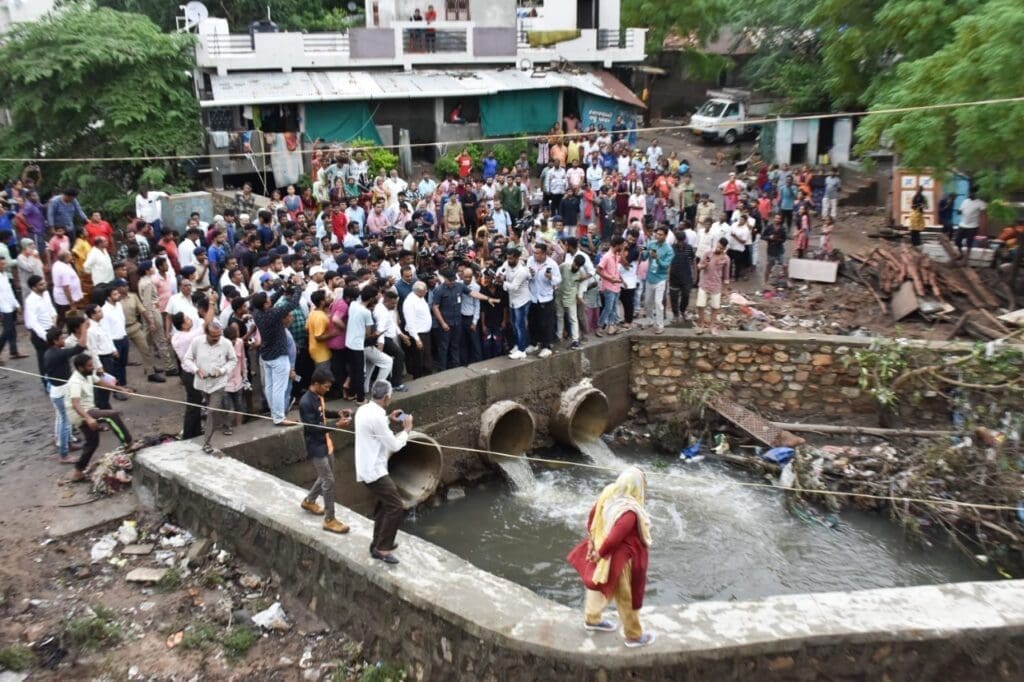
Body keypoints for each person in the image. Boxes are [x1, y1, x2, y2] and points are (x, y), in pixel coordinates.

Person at [566, 467, 654, 648]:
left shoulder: (609, 492)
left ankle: (592, 618)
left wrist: (593, 543)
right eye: (642, 483)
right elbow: (616, 536)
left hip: (603, 549)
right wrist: (600, 553)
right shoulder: (629, 510)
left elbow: (592, 517)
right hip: (619, 558)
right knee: (626, 597)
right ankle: (634, 636)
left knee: (599, 585)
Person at [354, 380, 413, 565]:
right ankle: (383, 549)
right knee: (396, 507)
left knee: (383, 505)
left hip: (367, 466)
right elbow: (394, 445)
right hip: (374, 471)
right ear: (386, 397)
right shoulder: (377, 417)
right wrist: (407, 429)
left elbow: (374, 427)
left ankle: (377, 544)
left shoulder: (364, 409)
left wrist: (388, 418)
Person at [299, 367, 354, 534]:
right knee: (328, 481)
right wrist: (337, 425)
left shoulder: (318, 397)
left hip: (326, 442)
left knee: (326, 476)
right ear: (315, 384)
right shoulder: (305, 402)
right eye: (326, 386)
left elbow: (322, 414)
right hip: (316, 446)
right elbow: (314, 428)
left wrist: (337, 413)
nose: (328, 389)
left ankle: (309, 500)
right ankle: (330, 519)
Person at [65, 353, 135, 483]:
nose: (93, 367)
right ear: (80, 368)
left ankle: (78, 472)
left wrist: (120, 388)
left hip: (89, 410)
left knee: (92, 443)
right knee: (112, 415)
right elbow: (75, 404)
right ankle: (128, 444)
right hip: (80, 413)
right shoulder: (75, 382)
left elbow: (102, 383)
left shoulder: (88, 374)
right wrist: (88, 418)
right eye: (90, 366)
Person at [183, 319, 237, 454]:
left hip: (218, 384)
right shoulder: (197, 342)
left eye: (219, 336)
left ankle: (207, 442)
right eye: (213, 337)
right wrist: (196, 370)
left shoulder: (226, 343)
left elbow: (233, 360)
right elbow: (187, 359)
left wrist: (222, 370)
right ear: (206, 334)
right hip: (202, 384)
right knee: (213, 408)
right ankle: (226, 423)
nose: (217, 339)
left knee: (211, 411)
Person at [642, 226, 674, 334]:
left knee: (658, 302)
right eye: (657, 234)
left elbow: (666, 265)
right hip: (650, 277)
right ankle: (650, 320)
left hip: (661, 278)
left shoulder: (669, 250)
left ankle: (660, 325)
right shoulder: (651, 243)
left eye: (661, 235)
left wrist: (657, 258)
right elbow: (643, 256)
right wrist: (644, 251)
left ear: (665, 236)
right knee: (647, 302)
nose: (658, 236)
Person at [696, 238, 730, 334]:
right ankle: (701, 325)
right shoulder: (707, 254)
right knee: (700, 305)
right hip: (704, 283)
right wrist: (704, 265)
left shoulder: (726, 259)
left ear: (724, 249)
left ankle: (712, 326)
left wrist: (725, 290)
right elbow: (699, 266)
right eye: (718, 246)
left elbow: (726, 275)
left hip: (716, 285)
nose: (718, 249)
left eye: (721, 248)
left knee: (715, 307)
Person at [0, 257, 26, 362]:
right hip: (3, 308)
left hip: (10, 306)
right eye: (1, 264)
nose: (4, 266)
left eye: (4, 264)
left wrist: (17, 305)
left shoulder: (5, 275)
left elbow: (9, 292)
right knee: (7, 330)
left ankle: (14, 351)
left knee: (12, 330)